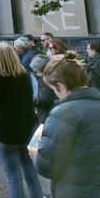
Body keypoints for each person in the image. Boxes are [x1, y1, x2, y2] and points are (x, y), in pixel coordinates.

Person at [35, 52, 100, 197]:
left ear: (61, 86)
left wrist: (37, 154)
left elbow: (47, 167)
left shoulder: (62, 113)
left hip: (75, 190)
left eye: (53, 89)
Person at [0, 43, 43, 198]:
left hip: (6, 131)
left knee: (13, 175)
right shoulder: (25, 76)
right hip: (27, 128)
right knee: (30, 170)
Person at [29, 55, 56, 124]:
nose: (37, 74)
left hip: (47, 115)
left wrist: (29, 98)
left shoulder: (45, 80)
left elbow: (44, 102)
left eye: (37, 71)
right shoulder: (51, 76)